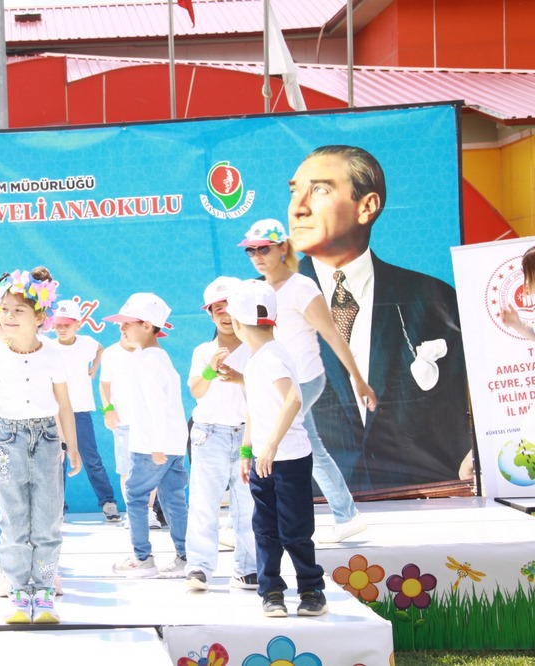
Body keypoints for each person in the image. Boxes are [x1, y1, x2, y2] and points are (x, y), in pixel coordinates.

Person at [288, 144, 471, 490]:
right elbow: (223, 403)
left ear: (367, 206)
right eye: (295, 192)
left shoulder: (432, 298)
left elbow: (473, 393)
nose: (298, 209)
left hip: (419, 499)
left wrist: (478, 449)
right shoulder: (263, 301)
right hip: (307, 503)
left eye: (320, 190)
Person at [240, 218, 376, 543]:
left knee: (278, 441)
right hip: (279, 381)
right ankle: (346, 515)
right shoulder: (257, 289)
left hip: (303, 381)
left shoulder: (302, 288)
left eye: (263, 248)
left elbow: (332, 335)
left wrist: (358, 379)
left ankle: (255, 523)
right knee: (309, 446)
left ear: (282, 248)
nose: (256, 255)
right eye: (250, 250)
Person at [0, 266, 81, 625]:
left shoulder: (53, 355)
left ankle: (46, 589)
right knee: (13, 518)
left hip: (48, 440)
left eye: (18, 311)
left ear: (40, 317)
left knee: (49, 519)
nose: (8, 317)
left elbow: (64, 404)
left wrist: (72, 446)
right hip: (6, 441)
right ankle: (20, 590)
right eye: (3, 310)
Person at [226, 278, 328, 618]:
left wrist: (269, 447)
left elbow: (292, 399)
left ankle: (312, 589)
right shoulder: (258, 359)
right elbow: (257, 409)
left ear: (238, 324)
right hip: (264, 460)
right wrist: (248, 451)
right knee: (265, 528)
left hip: (288, 461)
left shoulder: (271, 356)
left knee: (294, 529)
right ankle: (271, 591)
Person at [105, 293, 189, 579]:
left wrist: (156, 446)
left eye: (127, 322)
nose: (121, 328)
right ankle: (185, 556)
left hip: (154, 444)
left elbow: (157, 405)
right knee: (173, 498)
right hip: (173, 443)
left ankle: (143, 558)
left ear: (147, 325)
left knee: (136, 496)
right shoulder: (158, 356)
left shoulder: (147, 360)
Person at [184, 276, 258, 592]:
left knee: (249, 504)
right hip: (208, 434)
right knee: (204, 502)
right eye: (218, 309)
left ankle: (248, 568)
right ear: (210, 314)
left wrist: (240, 378)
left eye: (230, 307)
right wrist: (210, 371)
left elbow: (264, 392)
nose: (225, 315)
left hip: (247, 434)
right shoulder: (204, 350)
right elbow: (196, 391)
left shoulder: (257, 348)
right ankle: (199, 567)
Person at [49, 298, 120, 523]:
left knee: (91, 458)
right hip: (55, 413)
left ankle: (108, 502)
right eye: (58, 324)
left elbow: (100, 349)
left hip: (79, 411)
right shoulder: (48, 348)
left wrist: (95, 367)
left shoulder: (87, 343)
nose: (61, 329)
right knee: (56, 460)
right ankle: (57, 506)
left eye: (66, 324)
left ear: (78, 324)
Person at [100, 335, 162, 530]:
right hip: (123, 421)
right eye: (123, 326)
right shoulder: (110, 353)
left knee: (151, 468)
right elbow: (104, 383)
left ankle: (149, 511)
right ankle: (133, 513)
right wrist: (108, 409)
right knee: (127, 469)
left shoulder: (151, 352)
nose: (126, 330)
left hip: (149, 421)